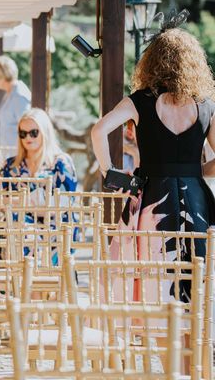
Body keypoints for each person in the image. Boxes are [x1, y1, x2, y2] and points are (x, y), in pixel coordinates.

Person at [91, 26, 215, 302]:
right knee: (197, 270)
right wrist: (197, 173)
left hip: (152, 198)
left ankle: (156, 334)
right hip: (196, 200)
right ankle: (192, 339)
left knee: (153, 271)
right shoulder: (208, 105)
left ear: (152, 62)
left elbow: (98, 131)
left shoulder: (139, 101)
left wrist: (109, 172)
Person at [1, 108, 77, 204]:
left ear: (45, 132)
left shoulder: (62, 163)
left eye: (34, 133)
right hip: (18, 218)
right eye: (23, 133)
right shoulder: (10, 165)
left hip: (55, 219)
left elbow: (68, 200)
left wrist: (21, 203)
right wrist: (28, 201)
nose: (28, 137)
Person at [0, 55, 31, 152]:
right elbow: (1, 124)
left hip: (18, 158)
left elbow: (27, 130)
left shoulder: (19, 97)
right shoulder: (10, 94)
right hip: (9, 156)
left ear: (1, 76)